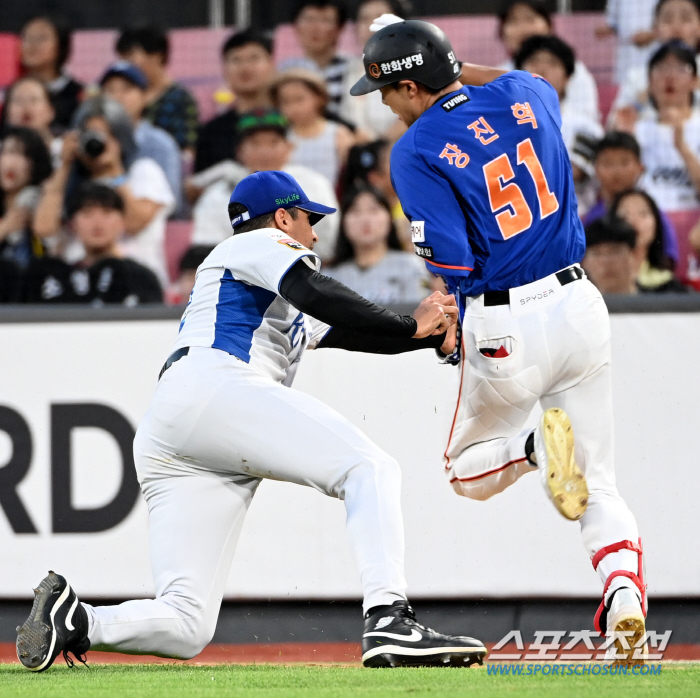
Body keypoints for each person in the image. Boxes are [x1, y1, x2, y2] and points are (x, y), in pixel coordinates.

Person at [16, 169, 487, 672]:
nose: (314, 233)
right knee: (369, 469)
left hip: (176, 429)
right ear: (283, 218)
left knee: (186, 624)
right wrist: (411, 325)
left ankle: (79, 621)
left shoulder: (262, 281)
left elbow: (350, 328)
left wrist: (425, 334)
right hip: (216, 389)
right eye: (309, 220)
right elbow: (319, 293)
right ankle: (391, 619)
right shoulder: (260, 244)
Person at [351, 19, 647, 664]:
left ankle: (538, 446)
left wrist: (449, 318)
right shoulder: (530, 94)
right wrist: (435, 62)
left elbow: (452, 262)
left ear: (406, 86)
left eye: (385, 91)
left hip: (507, 319)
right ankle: (622, 589)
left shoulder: (414, 149)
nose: (384, 105)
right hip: (579, 303)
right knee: (599, 481)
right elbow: (487, 78)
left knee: (465, 468)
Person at [33, 96, 175, 285]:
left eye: (108, 134)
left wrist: (114, 170)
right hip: (78, 285)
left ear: (121, 137)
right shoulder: (68, 181)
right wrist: (65, 165)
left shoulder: (143, 171)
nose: (99, 142)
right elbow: (43, 230)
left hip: (137, 281)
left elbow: (134, 223)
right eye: (90, 135)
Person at [189, 109, 339, 260]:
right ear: (239, 152)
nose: (265, 152)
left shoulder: (313, 184)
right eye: (255, 144)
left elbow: (328, 244)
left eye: (274, 143)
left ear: (289, 148)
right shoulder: (219, 194)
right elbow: (207, 250)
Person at [23, 183, 162, 305]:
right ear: (72, 225)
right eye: (87, 214)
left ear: (122, 222)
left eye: (106, 213)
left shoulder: (140, 277)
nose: (97, 222)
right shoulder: (59, 276)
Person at [513, 35, 603, 214]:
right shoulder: (501, 123)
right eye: (533, 61)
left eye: (553, 63)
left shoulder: (587, 127)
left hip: (569, 219)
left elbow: (574, 173)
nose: (542, 69)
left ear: (567, 77)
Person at [497, 0, 600, 123]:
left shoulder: (575, 70)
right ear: (502, 33)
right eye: (514, 21)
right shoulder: (498, 75)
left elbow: (587, 121)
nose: (523, 28)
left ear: (549, 26)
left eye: (530, 19)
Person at [583, 132, 679, 267]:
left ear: (640, 168)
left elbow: (667, 260)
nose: (616, 171)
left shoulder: (654, 215)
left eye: (624, 162)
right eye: (607, 163)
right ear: (595, 169)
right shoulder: (592, 218)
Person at [100, 61, 183, 214]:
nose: (118, 97)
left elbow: (172, 204)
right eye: (110, 90)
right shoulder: (92, 140)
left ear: (145, 97)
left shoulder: (160, 144)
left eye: (127, 89)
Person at [609, 0, 700, 128]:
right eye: (667, 20)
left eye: (686, 19)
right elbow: (614, 126)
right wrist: (644, 97)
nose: (676, 27)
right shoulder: (637, 77)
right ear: (655, 29)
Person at [323, 186, 429, 304]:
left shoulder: (410, 267)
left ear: (389, 218)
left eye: (374, 210)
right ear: (343, 222)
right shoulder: (330, 276)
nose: (365, 219)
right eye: (356, 211)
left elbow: (421, 314)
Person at [194, 29, 276, 174]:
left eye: (254, 58)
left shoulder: (290, 120)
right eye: (236, 60)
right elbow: (199, 185)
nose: (245, 68)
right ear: (224, 70)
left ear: (271, 64)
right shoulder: (212, 132)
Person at [634, 41, 700, 212]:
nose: (670, 77)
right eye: (661, 69)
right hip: (649, 219)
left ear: (695, 81)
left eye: (680, 69)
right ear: (649, 82)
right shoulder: (637, 130)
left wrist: (682, 147)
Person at [596, 0, 693, 84]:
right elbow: (614, 16)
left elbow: (687, 4)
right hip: (627, 56)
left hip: (659, 52)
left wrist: (654, 34)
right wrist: (608, 29)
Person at [115, 26, 199, 153]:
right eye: (122, 59)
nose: (126, 66)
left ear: (157, 55)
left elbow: (187, 150)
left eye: (131, 57)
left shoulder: (180, 99)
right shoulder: (121, 98)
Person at [272, 69, 355, 187]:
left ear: (319, 98)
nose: (293, 107)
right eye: (285, 102)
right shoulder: (281, 138)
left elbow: (348, 175)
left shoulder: (338, 134)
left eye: (299, 99)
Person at [279, 0, 351, 119]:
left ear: (339, 29)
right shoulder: (285, 72)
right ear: (296, 26)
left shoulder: (353, 69)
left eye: (325, 20)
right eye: (309, 19)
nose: (315, 28)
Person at [344, 0, 408, 138]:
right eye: (364, 19)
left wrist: (381, 147)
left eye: (381, 18)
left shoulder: (413, 66)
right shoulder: (350, 69)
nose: (372, 25)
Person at [609, 188, 687, 292]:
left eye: (643, 213)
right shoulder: (596, 281)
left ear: (657, 225)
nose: (633, 221)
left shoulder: (669, 286)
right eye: (625, 214)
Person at [0, 127, 52, 270]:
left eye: (22, 154)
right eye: (7, 152)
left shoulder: (42, 204)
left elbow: (48, 252)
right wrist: (6, 227)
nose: (12, 162)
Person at [18, 16, 84, 129]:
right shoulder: (14, 91)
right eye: (27, 38)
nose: (32, 45)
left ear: (61, 46)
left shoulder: (77, 95)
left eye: (41, 38)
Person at [2, 77, 59, 160]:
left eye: (33, 100)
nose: (26, 106)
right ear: (7, 112)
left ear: (51, 110)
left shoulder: (65, 150)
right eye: (18, 100)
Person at [582, 216, 641, 294]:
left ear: (634, 255)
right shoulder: (573, 304)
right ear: (584, 262)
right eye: (597, 253)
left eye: (614, 251)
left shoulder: (658, 301)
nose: (605, 261)